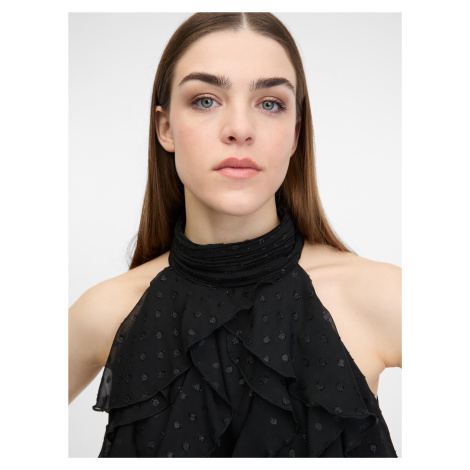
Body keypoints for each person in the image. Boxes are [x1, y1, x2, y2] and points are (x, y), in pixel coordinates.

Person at [69, 12, 401, 457]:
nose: (240, 130)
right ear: (165, 129)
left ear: (295, 134)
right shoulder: (107, 311)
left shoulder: (383, 297)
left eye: (270, 103)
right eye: (206, 100)